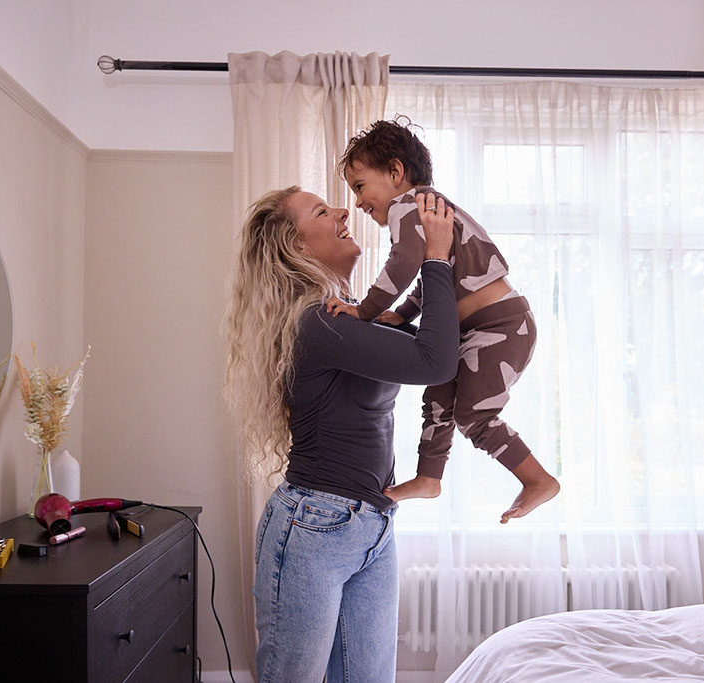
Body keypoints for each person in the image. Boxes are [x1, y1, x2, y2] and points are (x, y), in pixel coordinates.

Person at [223, 186, 459, 682]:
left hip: (371, 522)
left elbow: (434, 343)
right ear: (297, 246)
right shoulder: (317, 322)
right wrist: (434, 258)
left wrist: (437, 267)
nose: (343, 211)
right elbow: (435, 361)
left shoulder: (347, 316)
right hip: (314, 527)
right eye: (322, 211)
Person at [333, 116, 560, 524]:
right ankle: (428, 478)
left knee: (474, 415)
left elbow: (403, 265)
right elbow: (433, 276)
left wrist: (364, 311)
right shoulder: (429, 211)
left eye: (360, 187)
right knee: (437, 401)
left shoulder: (410, 205)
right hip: (477, 331)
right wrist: (401, 314)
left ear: (396, 172)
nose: (359, 203)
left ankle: (538, 479)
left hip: (500, 328)